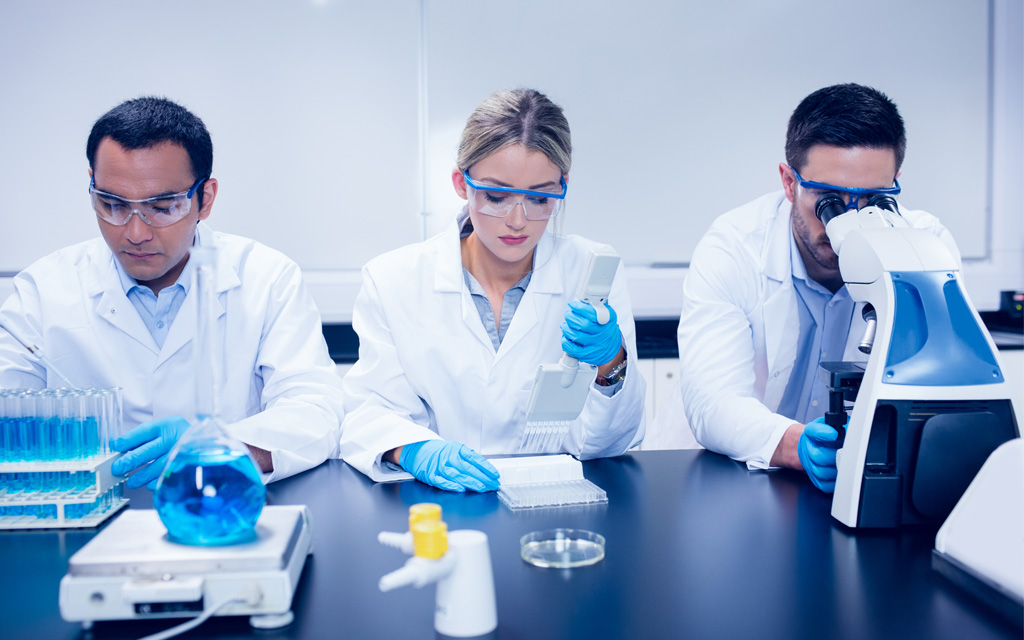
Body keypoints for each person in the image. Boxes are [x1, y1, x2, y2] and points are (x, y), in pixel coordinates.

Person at [0, 97, 344, 488]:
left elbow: (316, 409)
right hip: (88, 512)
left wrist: (222, 448)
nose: (135, 232)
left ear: (205, 199)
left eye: (162, 207)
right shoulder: (42, 291)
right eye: (111, 204)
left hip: (221, 506)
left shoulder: (266, 277)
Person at [339, 88, 645, 492]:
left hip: (552, 503)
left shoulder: (590, 271)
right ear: (460, 183)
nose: (518, 220)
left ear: (562, 185)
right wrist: (413, 449)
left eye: (540, 198)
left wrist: (612, 364)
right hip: (437, 504)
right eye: (497, 196)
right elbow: (369, 410)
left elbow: (609, 443)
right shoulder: (394, 278)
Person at [676, 83, 960, 492]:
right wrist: (794, 443)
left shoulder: (925, 248)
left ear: (896, 182)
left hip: (861, 479)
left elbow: (941, 390)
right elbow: (714, 402)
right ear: (789, 182)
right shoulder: (734, 246)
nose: (849, 220)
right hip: (739, 474)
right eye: (829, 200)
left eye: (873, 199)